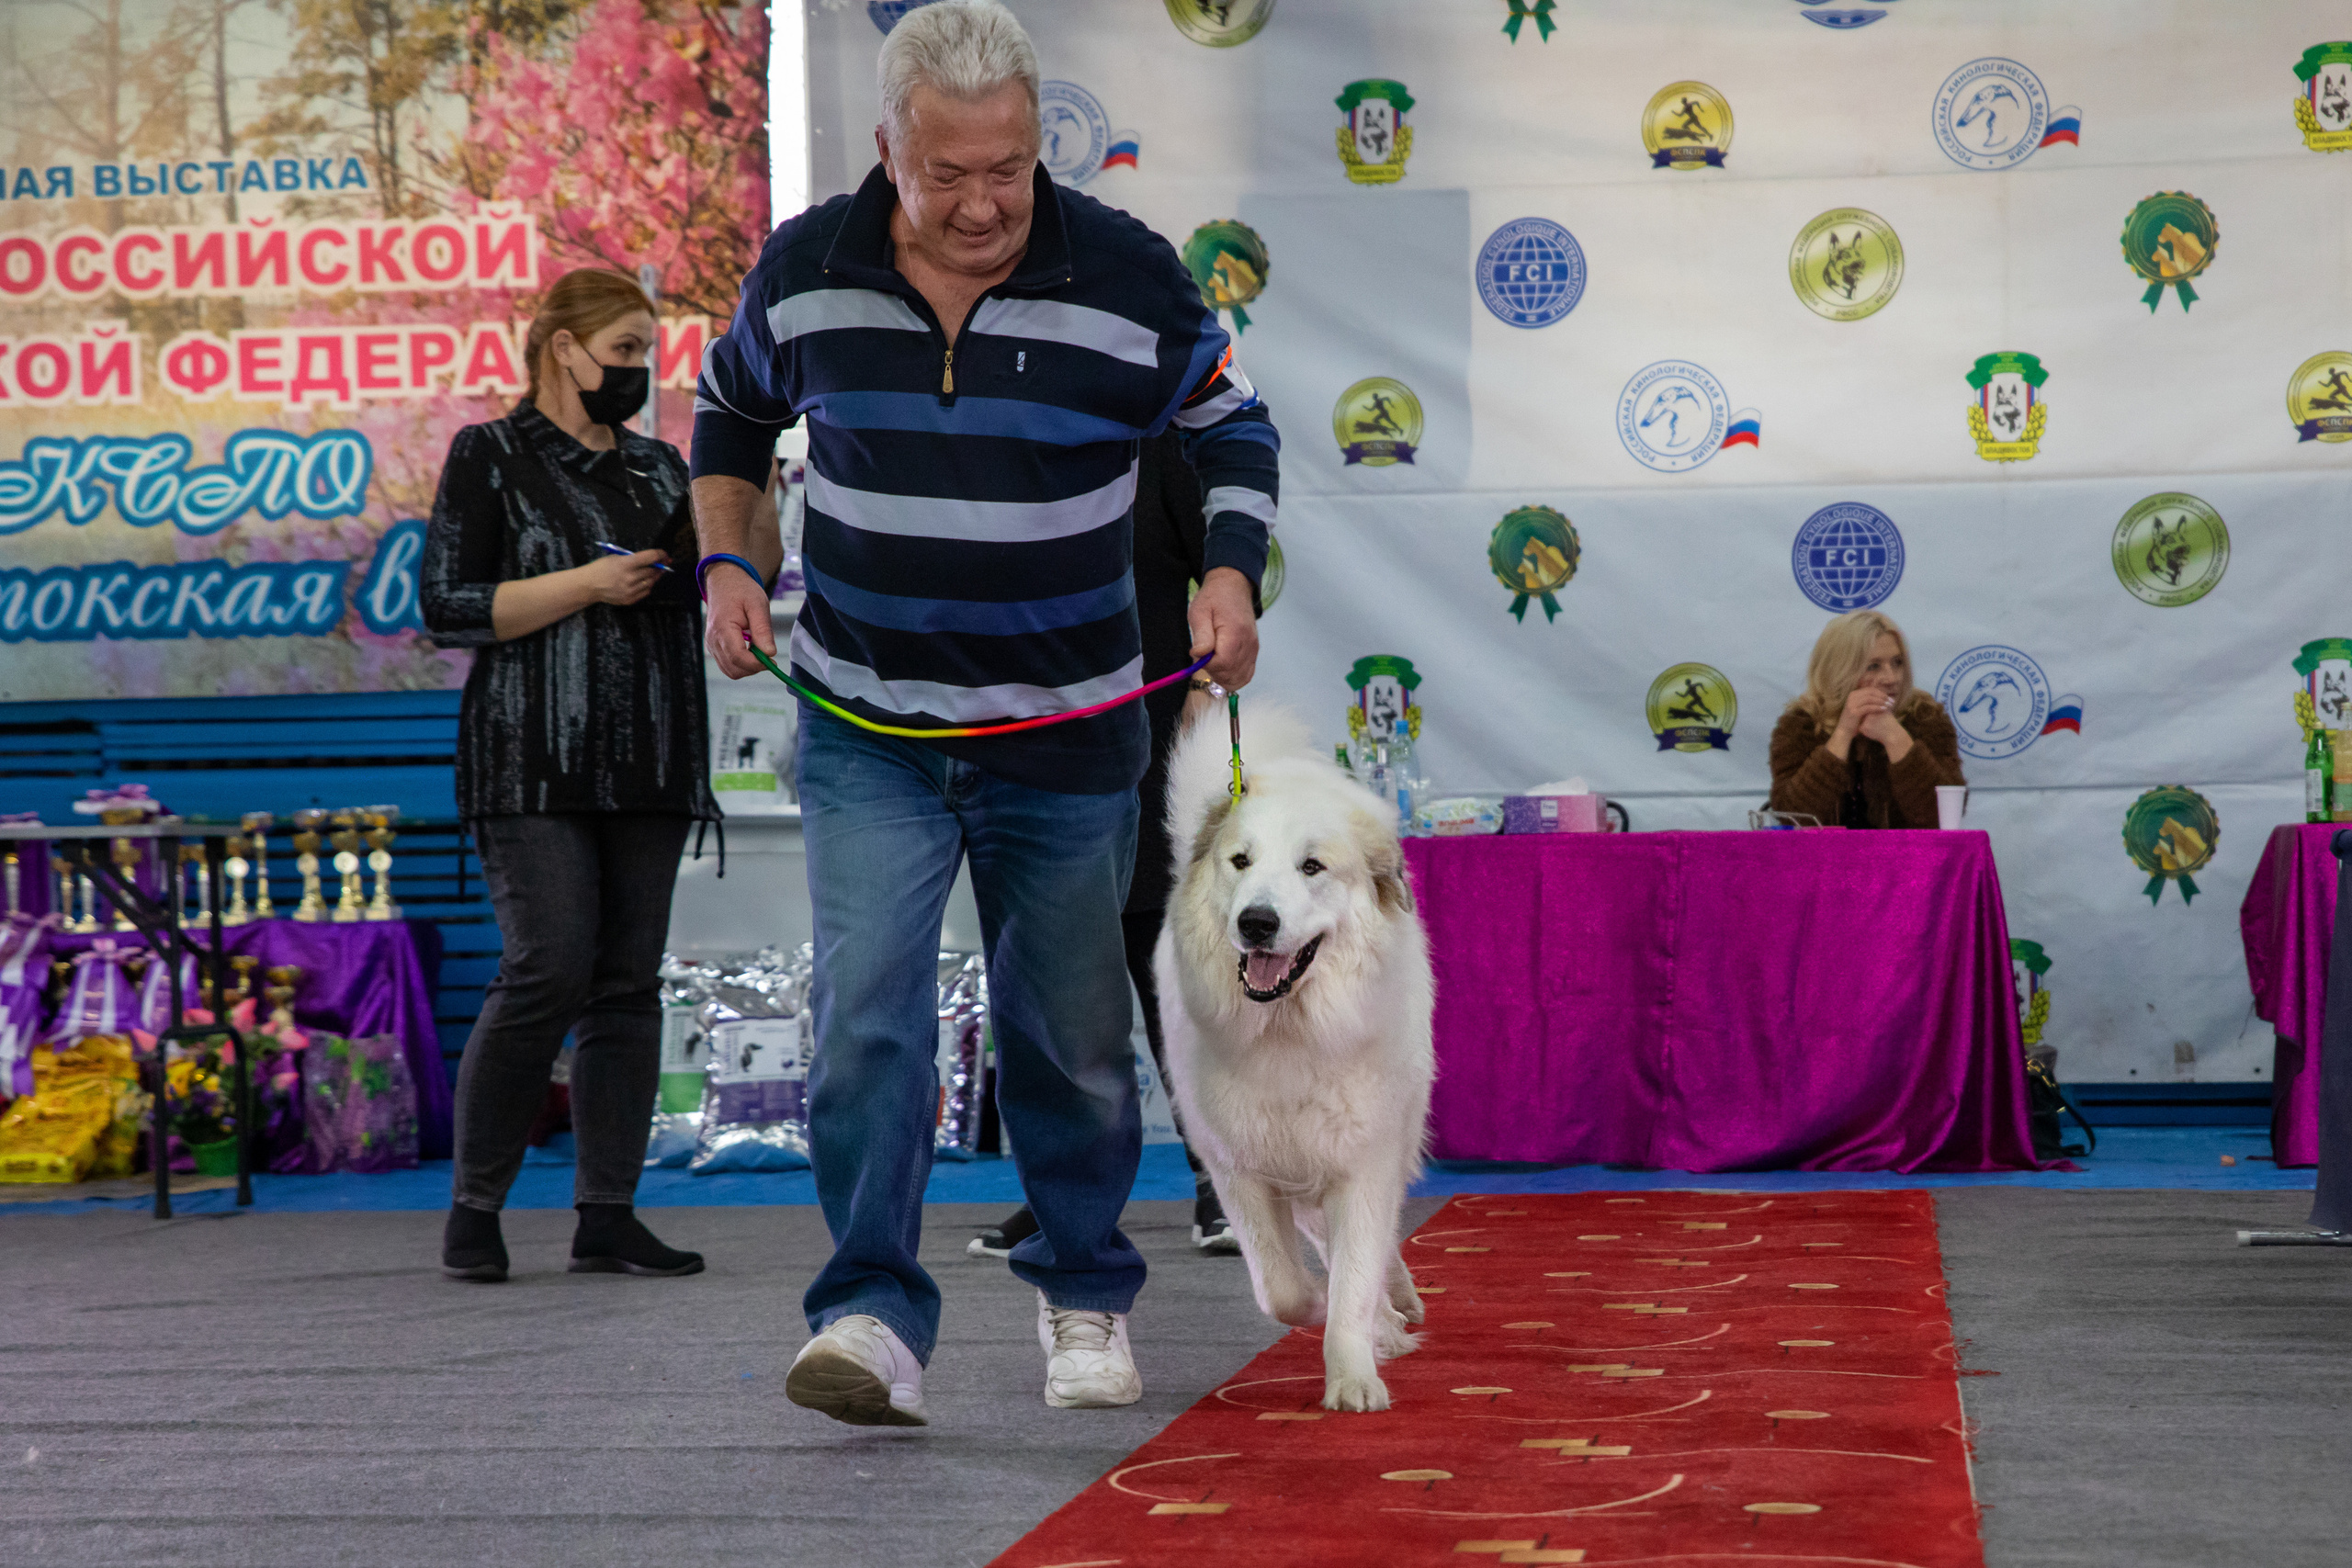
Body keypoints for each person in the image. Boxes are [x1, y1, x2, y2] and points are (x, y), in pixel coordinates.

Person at [690, 0, 1277, 1427]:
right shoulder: (805, 269)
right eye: (946, 172)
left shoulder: (1128, 275)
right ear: (887, 148)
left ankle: (1084, 1288)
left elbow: (1231, 425)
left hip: (1071, 731)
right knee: (867, 1021)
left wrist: (1228, 571)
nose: (981, 202)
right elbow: (725, 419)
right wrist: (726, 560)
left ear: (1036, 143)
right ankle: (872, 1316)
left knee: (1070, 1030)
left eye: (1006, 167)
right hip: (872, 726)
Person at [422, 267, 768, 1282]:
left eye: (645, 356)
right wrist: (588, 582)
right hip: (528, 758)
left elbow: (750, 579)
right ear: (561, 348)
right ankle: (474, 1204)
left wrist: (761, 498)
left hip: (652, 758)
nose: (636, 372)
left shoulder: (666, 468)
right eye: (621, 353)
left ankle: (606, 1210)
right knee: (547, 966)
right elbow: (447, 603)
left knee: (626, 984)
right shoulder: (486, 455)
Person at [967, 432, 1240, 1266]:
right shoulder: (1000, 443)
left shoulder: (1163, 445)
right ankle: (1065, 1189)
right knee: (1053, 986)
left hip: (1152, 749)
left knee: (1174, 979)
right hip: (1030, 747)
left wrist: (1205, 683)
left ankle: (1221, 1180)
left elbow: (1234, 582)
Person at [1768, 609, 1965, 829]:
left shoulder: (1925, 717)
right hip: (1824, 861)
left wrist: (1896, 739)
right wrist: (1842, 734)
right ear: (1838, 670)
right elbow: (1792, 816)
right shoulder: (1801, 724)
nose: (1891, 678)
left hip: (1907, 860)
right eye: (1873, 666)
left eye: (1898, 662)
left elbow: (1943, 818)